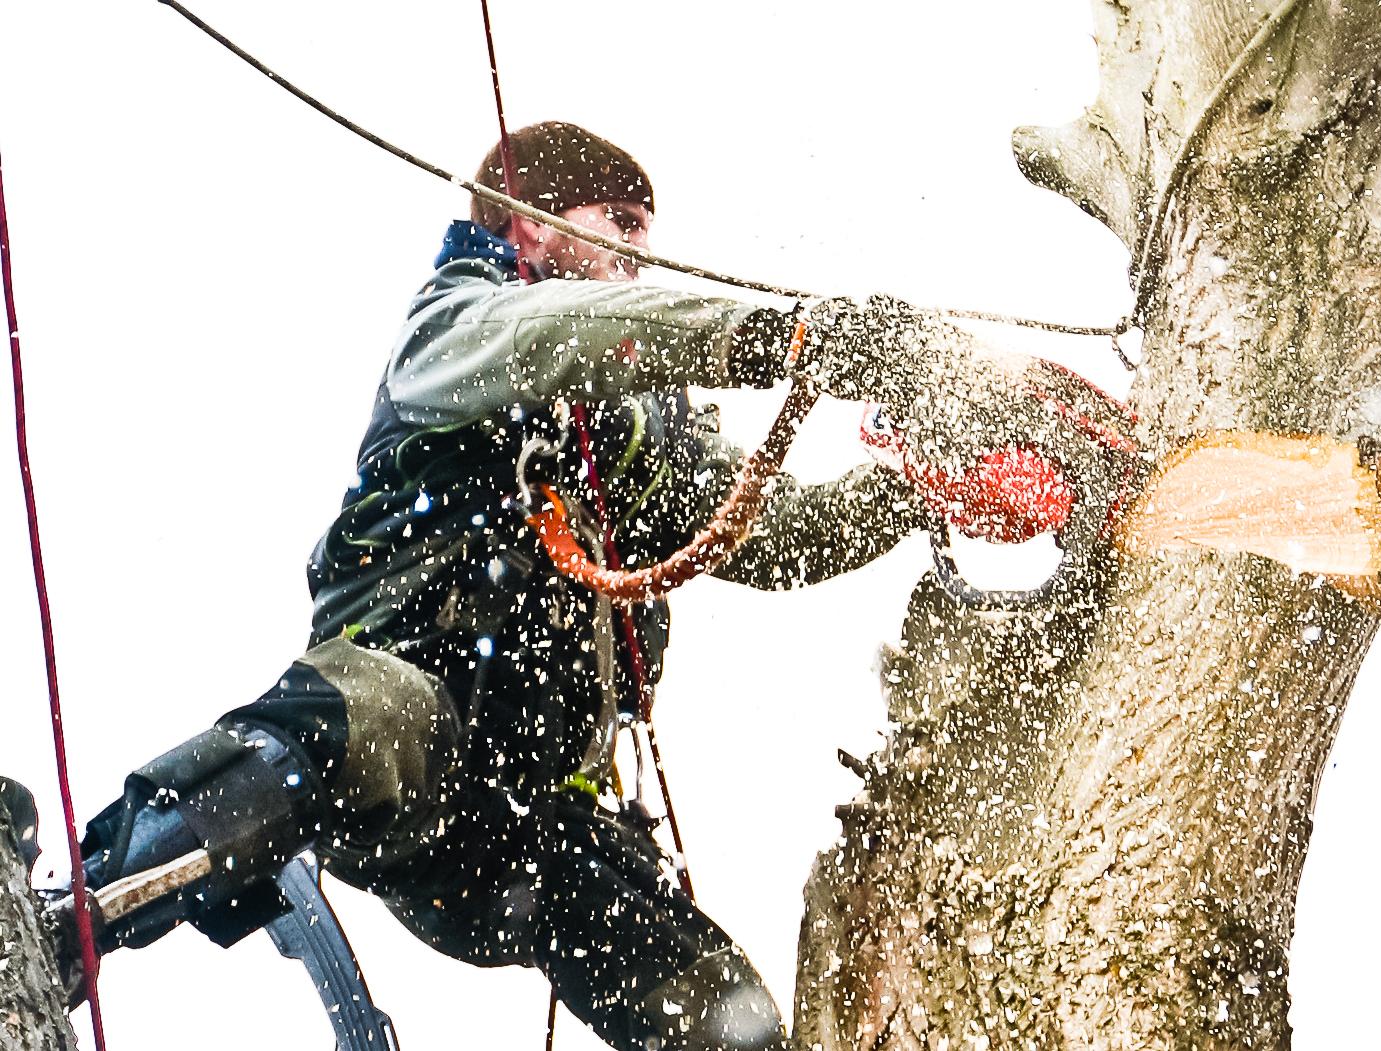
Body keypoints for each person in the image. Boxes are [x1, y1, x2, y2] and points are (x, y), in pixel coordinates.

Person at [67, 122, 938, 1051]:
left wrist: (916, 485)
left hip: (528, 826)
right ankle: (79, 904)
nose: (639, 254)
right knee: (384, 709)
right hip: (399, 757)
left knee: (720, 1010)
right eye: (621, 222)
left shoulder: (630, 429)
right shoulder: (461, 326)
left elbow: (771, 530)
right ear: (527, 227)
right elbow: (570, 334)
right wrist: (782, 337)